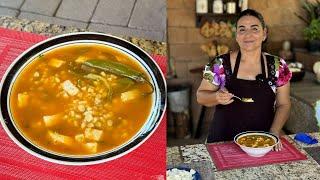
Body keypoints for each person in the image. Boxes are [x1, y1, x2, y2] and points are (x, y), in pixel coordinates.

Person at [196, 9, 292, 151]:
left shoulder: (278, 66)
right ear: (236, 36)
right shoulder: (220, 64)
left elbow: (284, 104)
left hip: (263, 142)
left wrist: (274, 131)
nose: (248, 35)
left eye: (254, 29)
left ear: (264, 33)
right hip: (223, 142)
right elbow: (201, 96)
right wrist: (216, 97)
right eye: (242, 29)